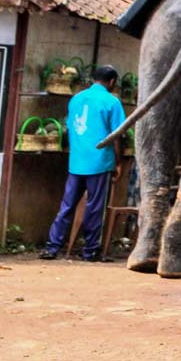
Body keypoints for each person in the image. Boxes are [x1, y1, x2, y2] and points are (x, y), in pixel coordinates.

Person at [40, 65, 126, 261]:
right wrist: (118, 163)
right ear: (112, 82)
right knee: (95, 207)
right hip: (100, 162)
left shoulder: (76, 99)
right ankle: (90, 251)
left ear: (93, 79)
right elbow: (117, 135)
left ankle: (52, 248)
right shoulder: (112, 102)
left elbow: (70, 128)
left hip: (77, 161)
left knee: (67, 205)